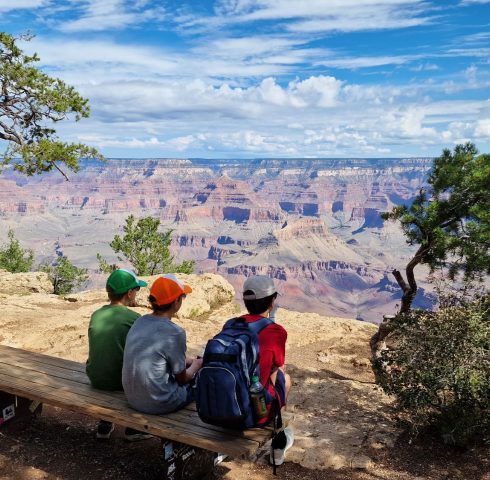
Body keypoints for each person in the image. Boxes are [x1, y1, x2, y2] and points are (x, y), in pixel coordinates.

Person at [122, 274, 203, 414]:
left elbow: (159, 358)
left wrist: (187, 361)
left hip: (133, 399)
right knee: (201, 380)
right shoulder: (175, 333)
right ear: (177, 301)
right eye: (182, 297)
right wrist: (196, 365)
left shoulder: (139, 322)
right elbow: (182, 379)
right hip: (160, 403)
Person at [86, 268, 150, 441]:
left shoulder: (97, 314)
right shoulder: (134, 318)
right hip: (119, 382)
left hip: (96, 377)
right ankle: (133, 428)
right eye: (137, 290)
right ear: (129, 293)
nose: (137, 293)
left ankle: (105, 423)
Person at [242, 275, 294, 466]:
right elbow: (278, 366)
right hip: (254, 412)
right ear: (272, 302)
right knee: (284, 379)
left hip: (225, 403)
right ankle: (278, 447)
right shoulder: (276, 331)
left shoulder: (232, 324)